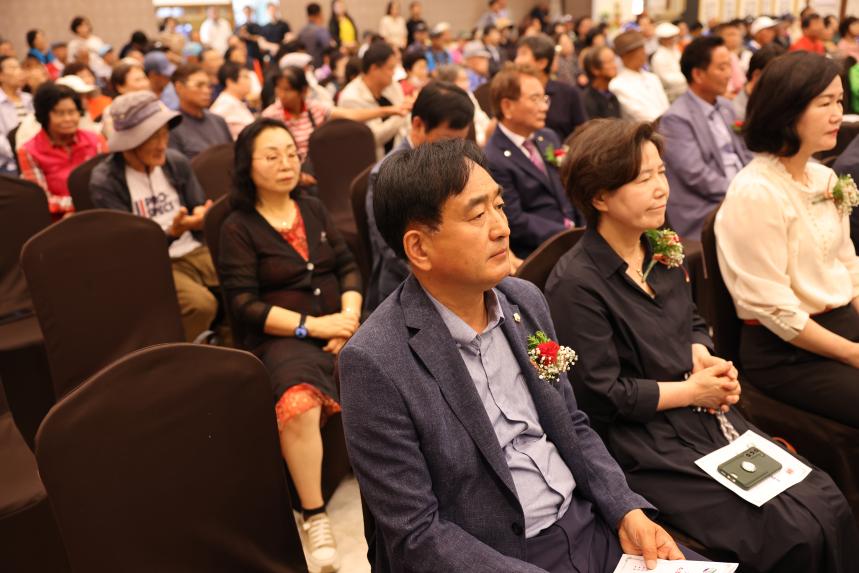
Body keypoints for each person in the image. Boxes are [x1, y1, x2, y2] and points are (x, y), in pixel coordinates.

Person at [341, 136, 701, 572]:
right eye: (477, 215)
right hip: (499, 556)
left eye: (499, 205)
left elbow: (571, 423)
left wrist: (625, 508)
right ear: (419, 247)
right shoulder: (376, 361)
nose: (502, 228)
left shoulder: (523, 301)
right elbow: (416, 534)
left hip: (587, 524)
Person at [545, 118, 859, 573]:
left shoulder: (660, 248)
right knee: (789, 532)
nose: (661, 189)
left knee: (826, 500)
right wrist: (693, 391)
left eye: (661, 172)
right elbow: (602, 395)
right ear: (600, 198)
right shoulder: (576, 284)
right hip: (646, 443)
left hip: (703, 413)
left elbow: (692, 321)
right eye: (643, 179)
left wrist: (702, 353)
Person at [218, 118, 360, 572]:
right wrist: (316, 327)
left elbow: (347, 268)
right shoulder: (237, 227)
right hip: (284, 338)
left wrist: (349, 320)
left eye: (290, 153)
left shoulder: (312, 208)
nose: (285, 163)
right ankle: (314, 512)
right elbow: (245, 306)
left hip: (340, 324)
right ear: (247, 166)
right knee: (298, 403)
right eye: (271, 155)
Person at [715, 52, 859, 428]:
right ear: (787, 110)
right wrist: (852, 353)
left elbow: (848, 265)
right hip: (788, 352)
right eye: (824, 103)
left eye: (839, 101)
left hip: (842, 324)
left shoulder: (824, 178)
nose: (837, 114)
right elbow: (775, 310)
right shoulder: (756, 192)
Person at [89, 91, 217, 341]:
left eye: (164, 134)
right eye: (152, 137)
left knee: (240, 283)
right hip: (152, 263)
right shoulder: (106, 181)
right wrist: (172, 233)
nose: (162, 144)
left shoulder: (175, 162)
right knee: (201, 305)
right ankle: (189, 356)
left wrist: (201, 215)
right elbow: (127, 246)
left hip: (193, 248)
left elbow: (197, 204)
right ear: (129, 142)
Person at [364, 81, 475, 313]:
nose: (455, 150)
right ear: (418, 124)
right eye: (447, 140)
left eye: (461, 141)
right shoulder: (385, 176)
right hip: (406, 289)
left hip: (459, 273)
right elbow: (393, 252)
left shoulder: (455, 163)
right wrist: (452, 277)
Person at [658, 36, 752, 240]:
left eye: (729, 66)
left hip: (742, 189)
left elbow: (745, 151)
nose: (729, 74)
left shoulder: (725, 106)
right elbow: (697, 176)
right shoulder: (676, 119)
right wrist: (744, 190)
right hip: (706, 205)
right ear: (698, 74)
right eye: (722, 67)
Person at [486, 63, 578, 258]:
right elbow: (515, 220)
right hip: (540, 251)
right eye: (535, 99)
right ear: (507, 106)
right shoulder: (493, 158)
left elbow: (570, 186)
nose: (544, 107)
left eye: (544, 98)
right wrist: (569, 235)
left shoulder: (548, 137)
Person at [262, 64, 408, 162]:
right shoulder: (270, 116)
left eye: (287, 90)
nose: (281, 94)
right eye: (278, 89)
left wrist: (390, 110)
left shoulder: (314, 108)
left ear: (303, 91)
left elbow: (352, 115)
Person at [17, 82, 107, 220]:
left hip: (100, 211)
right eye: (60, 113)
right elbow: (41, 199)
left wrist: (85, 205)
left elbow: (109, 182)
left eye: (72, 112)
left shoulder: (95, 140)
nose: (68, 119)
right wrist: (77, 205)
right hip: (59, 220)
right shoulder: (29, 151)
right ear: (44, 115)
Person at [338, 42, 410, 160]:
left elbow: (406, 125)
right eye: (390, 68)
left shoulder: (392, 86)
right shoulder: (350, 97)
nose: (393, 73)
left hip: (401, 157)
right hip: (373, 162)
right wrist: (402, 113)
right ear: (374, 68)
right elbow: (373, 137)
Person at [514, 34, 587, 142]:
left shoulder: (568, 93)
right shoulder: (514, 92)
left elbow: (582, 131)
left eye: (523, 54)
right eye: (518, 55)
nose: (517, 61)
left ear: (542, 63)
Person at [168, 63, 232, 159]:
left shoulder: (219, 121)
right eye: (199, 85)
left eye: (209, 86)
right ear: (179, 87)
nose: (207, 91)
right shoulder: (172, 126)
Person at [609, 30, 669, 122]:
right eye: (639, 50)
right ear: (625, 55)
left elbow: (666, 108)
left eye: (643, 49)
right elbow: (643, 116)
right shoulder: (618, 85)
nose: (644, 53)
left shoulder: (652, 77)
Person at [731, 43, 785, 122]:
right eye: (778, 77)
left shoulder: (773, 102)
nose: (783, 83)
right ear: (756, 75)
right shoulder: (738, 114)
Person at [0, 55, 33, 175]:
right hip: (9, 164)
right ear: (1, 76)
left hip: (33, 157)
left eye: (19, 67)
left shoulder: (28, 99)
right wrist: (21, 154)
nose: (19, 72)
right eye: (13, 68)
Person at [101, 60, 151, 139]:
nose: (144, 84)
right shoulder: (112, 113)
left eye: (144, 78)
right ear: (120, 87)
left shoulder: (154, 104)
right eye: (137, 80)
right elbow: (115, 141)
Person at [210, 61, 255, 140]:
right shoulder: (224, 104)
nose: (250, 81)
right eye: (245, 77)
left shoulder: (234, 101)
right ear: (230, 82)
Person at [650, 22, 686, 103]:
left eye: (673, 37)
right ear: (662, 39)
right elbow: (667, 79)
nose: (673, 40)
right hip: (671, 95)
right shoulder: (658, 57)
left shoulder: (675, 50)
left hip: (683, 89)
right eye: (670, 38)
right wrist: (687, 78)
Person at [581, 46, 621, 119]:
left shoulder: (612, 95)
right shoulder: (587, 101)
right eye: (609, 62)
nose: (615, 65)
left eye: (613, 61)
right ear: (595, 69)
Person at [67, 16, 110, 81]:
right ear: (76, 28)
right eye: (80, 26)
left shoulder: (96, 40)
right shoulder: (73, 44)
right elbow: (71, 61)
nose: (84, 28)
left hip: (101, 70)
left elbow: (105, 56)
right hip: (85, 72)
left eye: (86, 25)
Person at [299, 3, 334, 68]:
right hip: (320, 68)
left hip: (307, 67)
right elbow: (328, 49)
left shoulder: (301, 32)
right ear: (319, 14)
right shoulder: (321, 31)